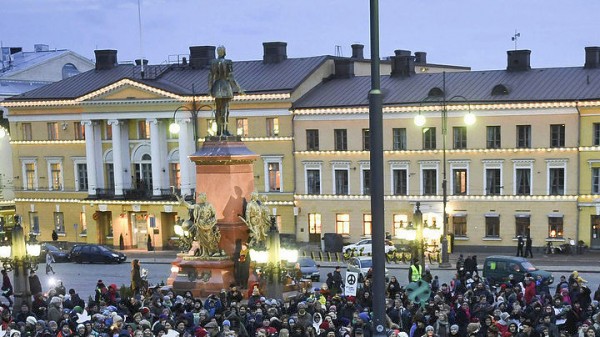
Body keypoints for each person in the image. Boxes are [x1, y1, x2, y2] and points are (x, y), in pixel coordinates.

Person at [208, 45, 244, 136]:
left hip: (216, 87)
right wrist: (239, 89)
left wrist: (210, 88)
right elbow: (231, 78)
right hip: (225, 87)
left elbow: (211, 77)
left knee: (218, 110)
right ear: (224, 52)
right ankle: (224, 130)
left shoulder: (213, 63)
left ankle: (219, 131)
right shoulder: (228, 62)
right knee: (225, 110)